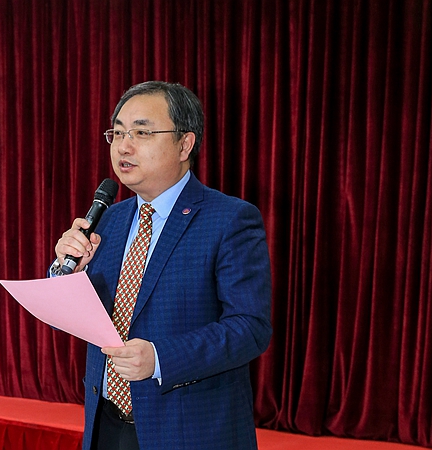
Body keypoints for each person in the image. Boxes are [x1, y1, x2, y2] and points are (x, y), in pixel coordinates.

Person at [51, 81, 272, 450]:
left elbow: (250, 328)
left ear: (185, 144)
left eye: (141, 132)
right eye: (117, 132)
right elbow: (77, 316)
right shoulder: (108, 219)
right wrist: (66, 274)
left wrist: (159, 359)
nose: (123, 146)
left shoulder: (229, 219)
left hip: (188, 432)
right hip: (106, 426)